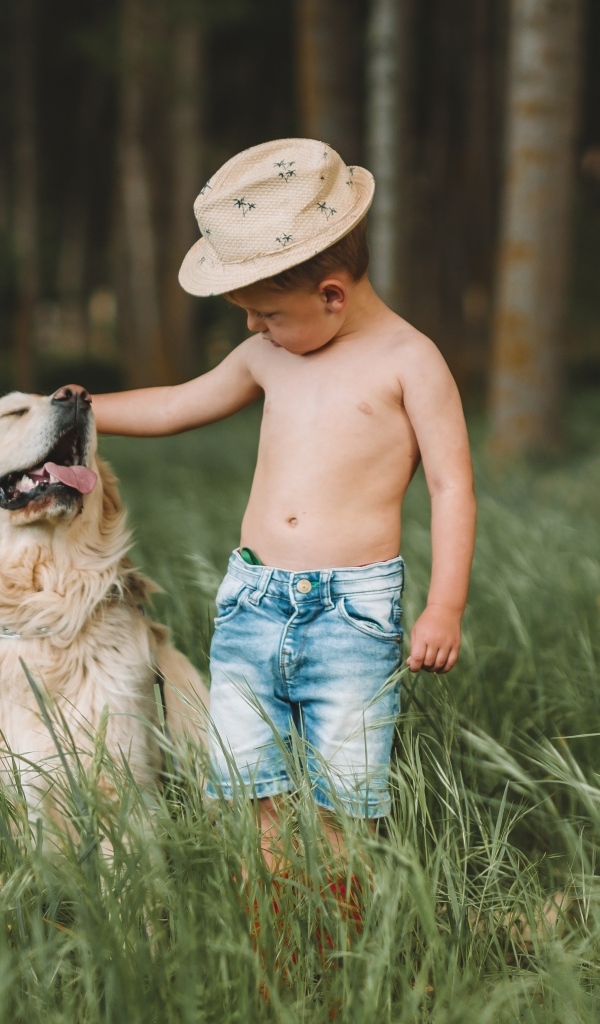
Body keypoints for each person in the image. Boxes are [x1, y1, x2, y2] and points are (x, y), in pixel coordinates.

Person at [88, 138, 476, 870]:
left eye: (265, 313)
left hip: (351, 615)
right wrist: (82, 411)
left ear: (331, 294)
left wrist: (444, 606)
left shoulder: (410, 362)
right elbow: (176, 405)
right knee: (249, 784)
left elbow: (451, 485)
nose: (252, 328)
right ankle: (269, 926)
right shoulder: (268, 355)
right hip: (253, 602)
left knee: (344, 795)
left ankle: (339, 928)